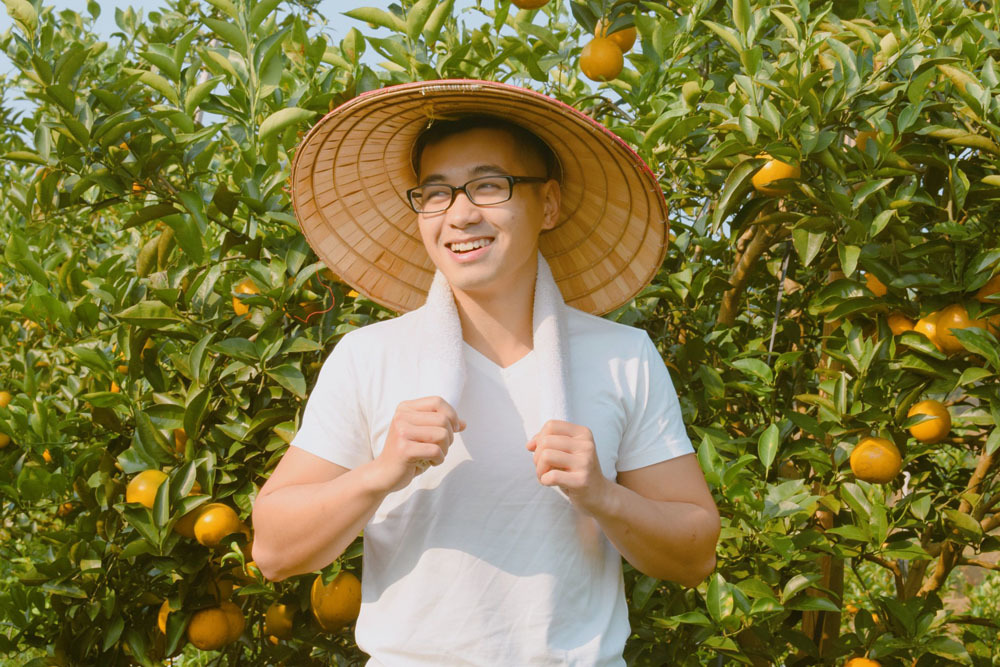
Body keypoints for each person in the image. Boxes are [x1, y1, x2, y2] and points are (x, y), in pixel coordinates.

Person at [252, 80, 720, 665]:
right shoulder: (368, 356)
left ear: (548, 204)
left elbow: (696, 553)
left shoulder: (622, 356)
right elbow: (272, 548)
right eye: (436, 193)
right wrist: (381, 472)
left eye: (489, 186)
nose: (461, 214)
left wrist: (603, 495)